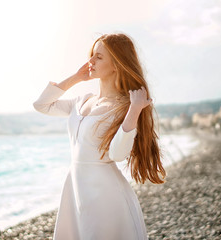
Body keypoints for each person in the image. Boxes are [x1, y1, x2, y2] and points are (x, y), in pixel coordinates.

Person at [33, 33, 166, 240]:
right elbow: (42, 105)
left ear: (116, 64)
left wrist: (135, 109)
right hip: (76, 188)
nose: (91, 61)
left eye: (99, 57)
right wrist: (77, 77)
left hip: (105, 194)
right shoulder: (82, 100)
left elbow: (118, 154)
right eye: (91, 55)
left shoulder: (125, 107)